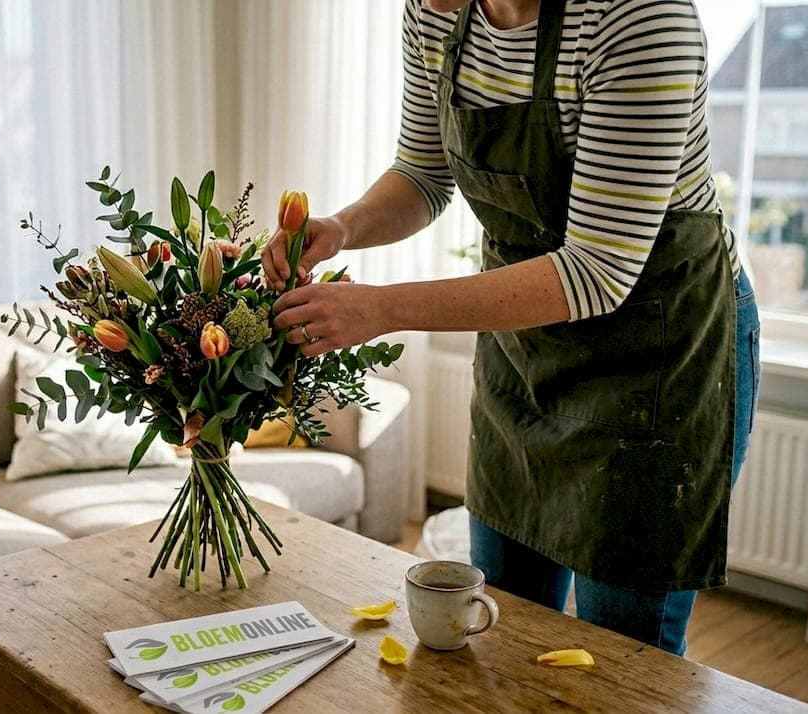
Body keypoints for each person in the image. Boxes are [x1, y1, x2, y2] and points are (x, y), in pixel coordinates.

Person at [261, 0, 761, 656]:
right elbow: (424, 171)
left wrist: (381, 310)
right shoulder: (435, 10)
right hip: (524, 348)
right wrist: (345, 227)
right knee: (501, 629)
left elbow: (597, 271)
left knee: (620, 658)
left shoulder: (639, 17)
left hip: (656, 358)